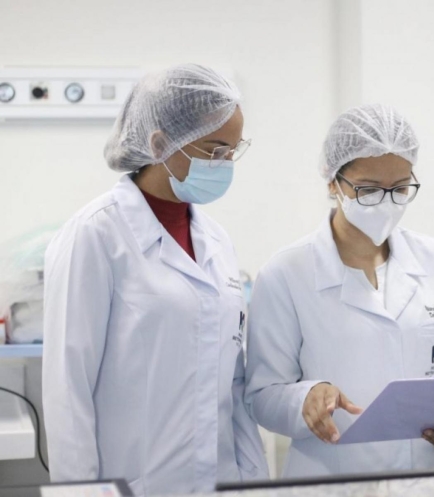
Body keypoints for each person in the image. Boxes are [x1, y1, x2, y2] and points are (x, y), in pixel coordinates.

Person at [42, 64, 268, 496]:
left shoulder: (216, 241)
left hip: (221, 481)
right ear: (161, 143)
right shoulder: (95, 235)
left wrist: (253, 482)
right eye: (215, 151)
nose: (225, 165)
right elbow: (68, 391)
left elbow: (232, 385)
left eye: (232, 152)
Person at [244, 104, 434, 477]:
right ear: (332, 182)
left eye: (400, 188)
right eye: (368, 189)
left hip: (428, 477)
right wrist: (305, 398)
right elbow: (261, 395)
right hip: (333, 479)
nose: (386, 202)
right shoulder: (286, 273)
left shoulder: (433, 260)